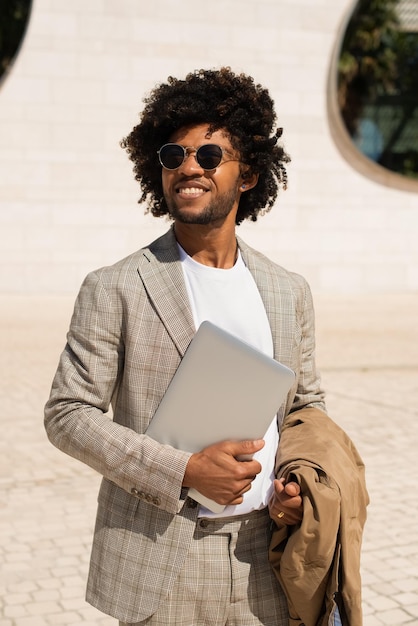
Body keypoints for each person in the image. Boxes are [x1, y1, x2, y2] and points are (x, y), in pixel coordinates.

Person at [45, 67, 366, 626]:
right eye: (174, 155)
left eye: (211, 156)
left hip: (267, 558)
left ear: (248, 176)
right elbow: (67, 415)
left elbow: (305, 408)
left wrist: (296, 482)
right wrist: (184, 469)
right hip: (163, 563)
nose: (189, 167)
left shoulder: (288, 291)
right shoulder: (115, 285)